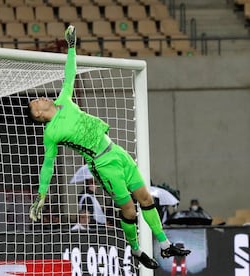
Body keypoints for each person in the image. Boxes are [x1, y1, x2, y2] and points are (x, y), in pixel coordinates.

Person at [27, 25, 191, 269]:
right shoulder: (51, 133)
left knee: (146, 198)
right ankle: (136, 250)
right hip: (103, 164)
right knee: (129, 211)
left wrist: (71, 47)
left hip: (116, 151)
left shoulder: (63, 100)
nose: (40, 98)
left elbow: (70, 73)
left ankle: (165, 245)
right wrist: (41, 194)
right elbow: (48, 164)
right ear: (38, 114)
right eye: (36, 101)